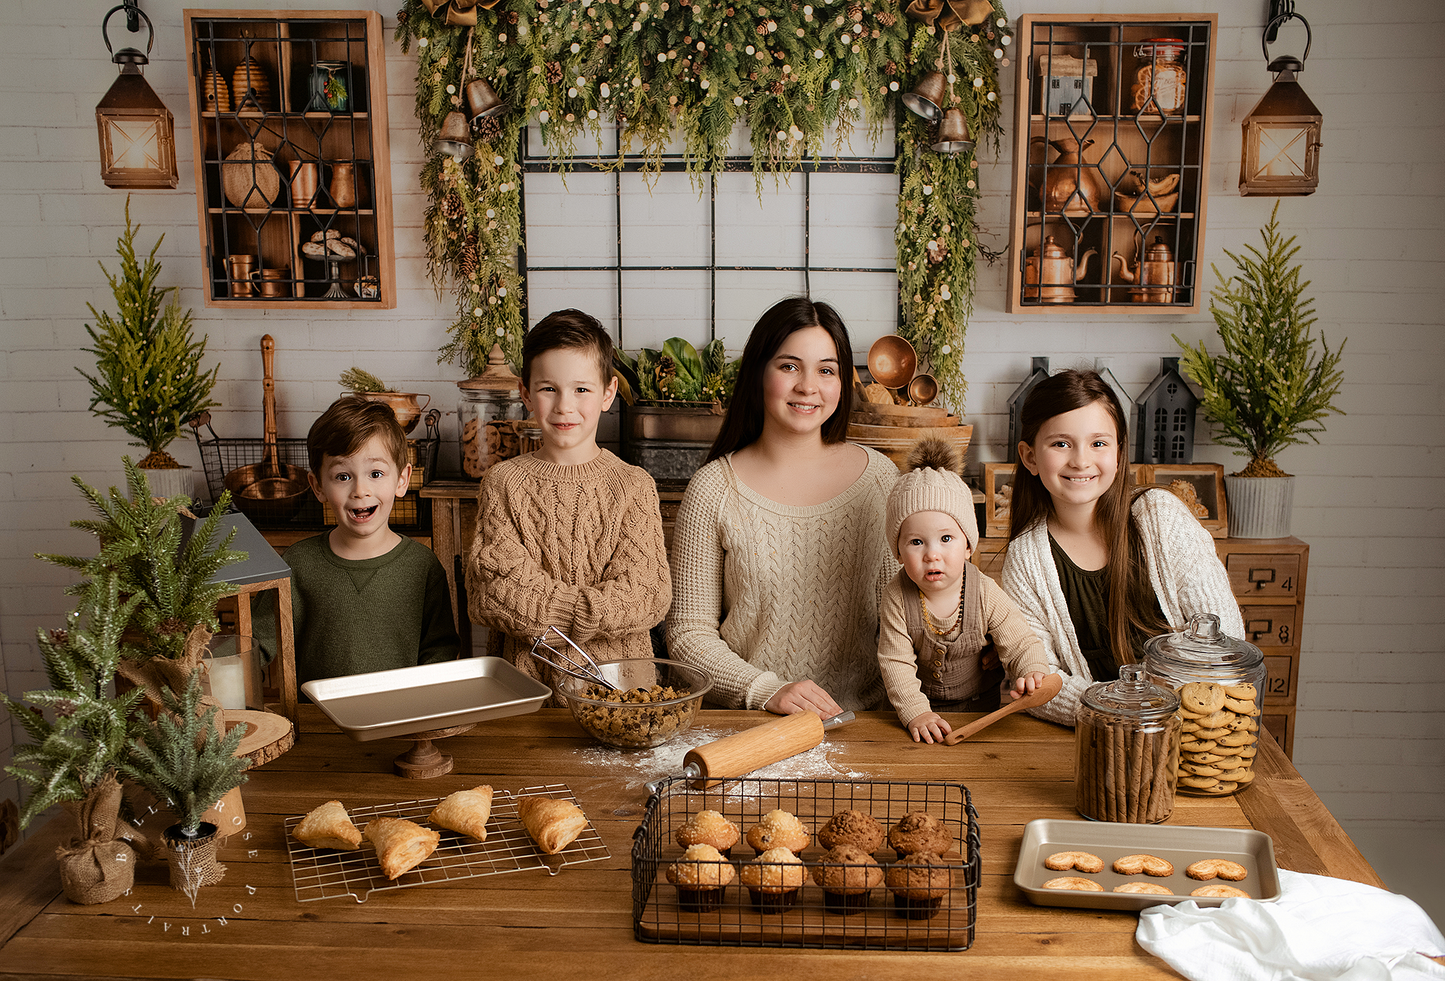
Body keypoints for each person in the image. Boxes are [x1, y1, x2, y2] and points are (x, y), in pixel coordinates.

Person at [666, 296, 899, 716]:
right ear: (758, 372)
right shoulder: (714, 488)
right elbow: (687, 634)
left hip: (867, 727)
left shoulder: (880, 480)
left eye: (826, 370)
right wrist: (765, 689)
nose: (808, 386)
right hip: (751, 726)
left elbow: (907, 614)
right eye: (789, 366)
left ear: (842, 384)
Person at [1002, 368, 1244, 726]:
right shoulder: (1025, 559)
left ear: (1118, 452)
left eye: (1098, 443)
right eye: (1061, 443)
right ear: (1030, 457)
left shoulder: (1161, 517)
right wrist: (1118, 713)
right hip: (1097, 741)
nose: (1080, 460)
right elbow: (1037, 684)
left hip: (1194, 730)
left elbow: (1223, 641)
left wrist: (1156, 711)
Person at [468, 309, 671, 690]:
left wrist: (555, 617)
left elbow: (647, 594)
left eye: (581, 389)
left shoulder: (634, 485)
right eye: (549, 389)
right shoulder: (503, 483)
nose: (564, 405)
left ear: (608, 393)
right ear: (525, 393)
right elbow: (493, 591)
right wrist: (587, 614)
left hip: (620, 692)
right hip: (525, 692)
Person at [258, 395, 459, 686]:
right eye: (342, 476)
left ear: (402, 480)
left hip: (400, 721)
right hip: (321, 723)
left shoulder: (422, 565)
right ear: (318, 486)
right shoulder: (298, 563)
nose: (360, 490)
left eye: (375, 473)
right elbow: (254, 642)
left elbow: (440, 650)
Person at [878, 439, 1050, 743]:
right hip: (918, 709)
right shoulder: (896, 596)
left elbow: (1019, 639)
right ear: (898, 552)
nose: (932, 554)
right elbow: (896, 663)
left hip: (980, 711)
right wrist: (916, 712)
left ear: (969, 545)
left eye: (946, 539)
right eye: (916, 542)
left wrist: (1030, 669)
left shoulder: (984, 590)